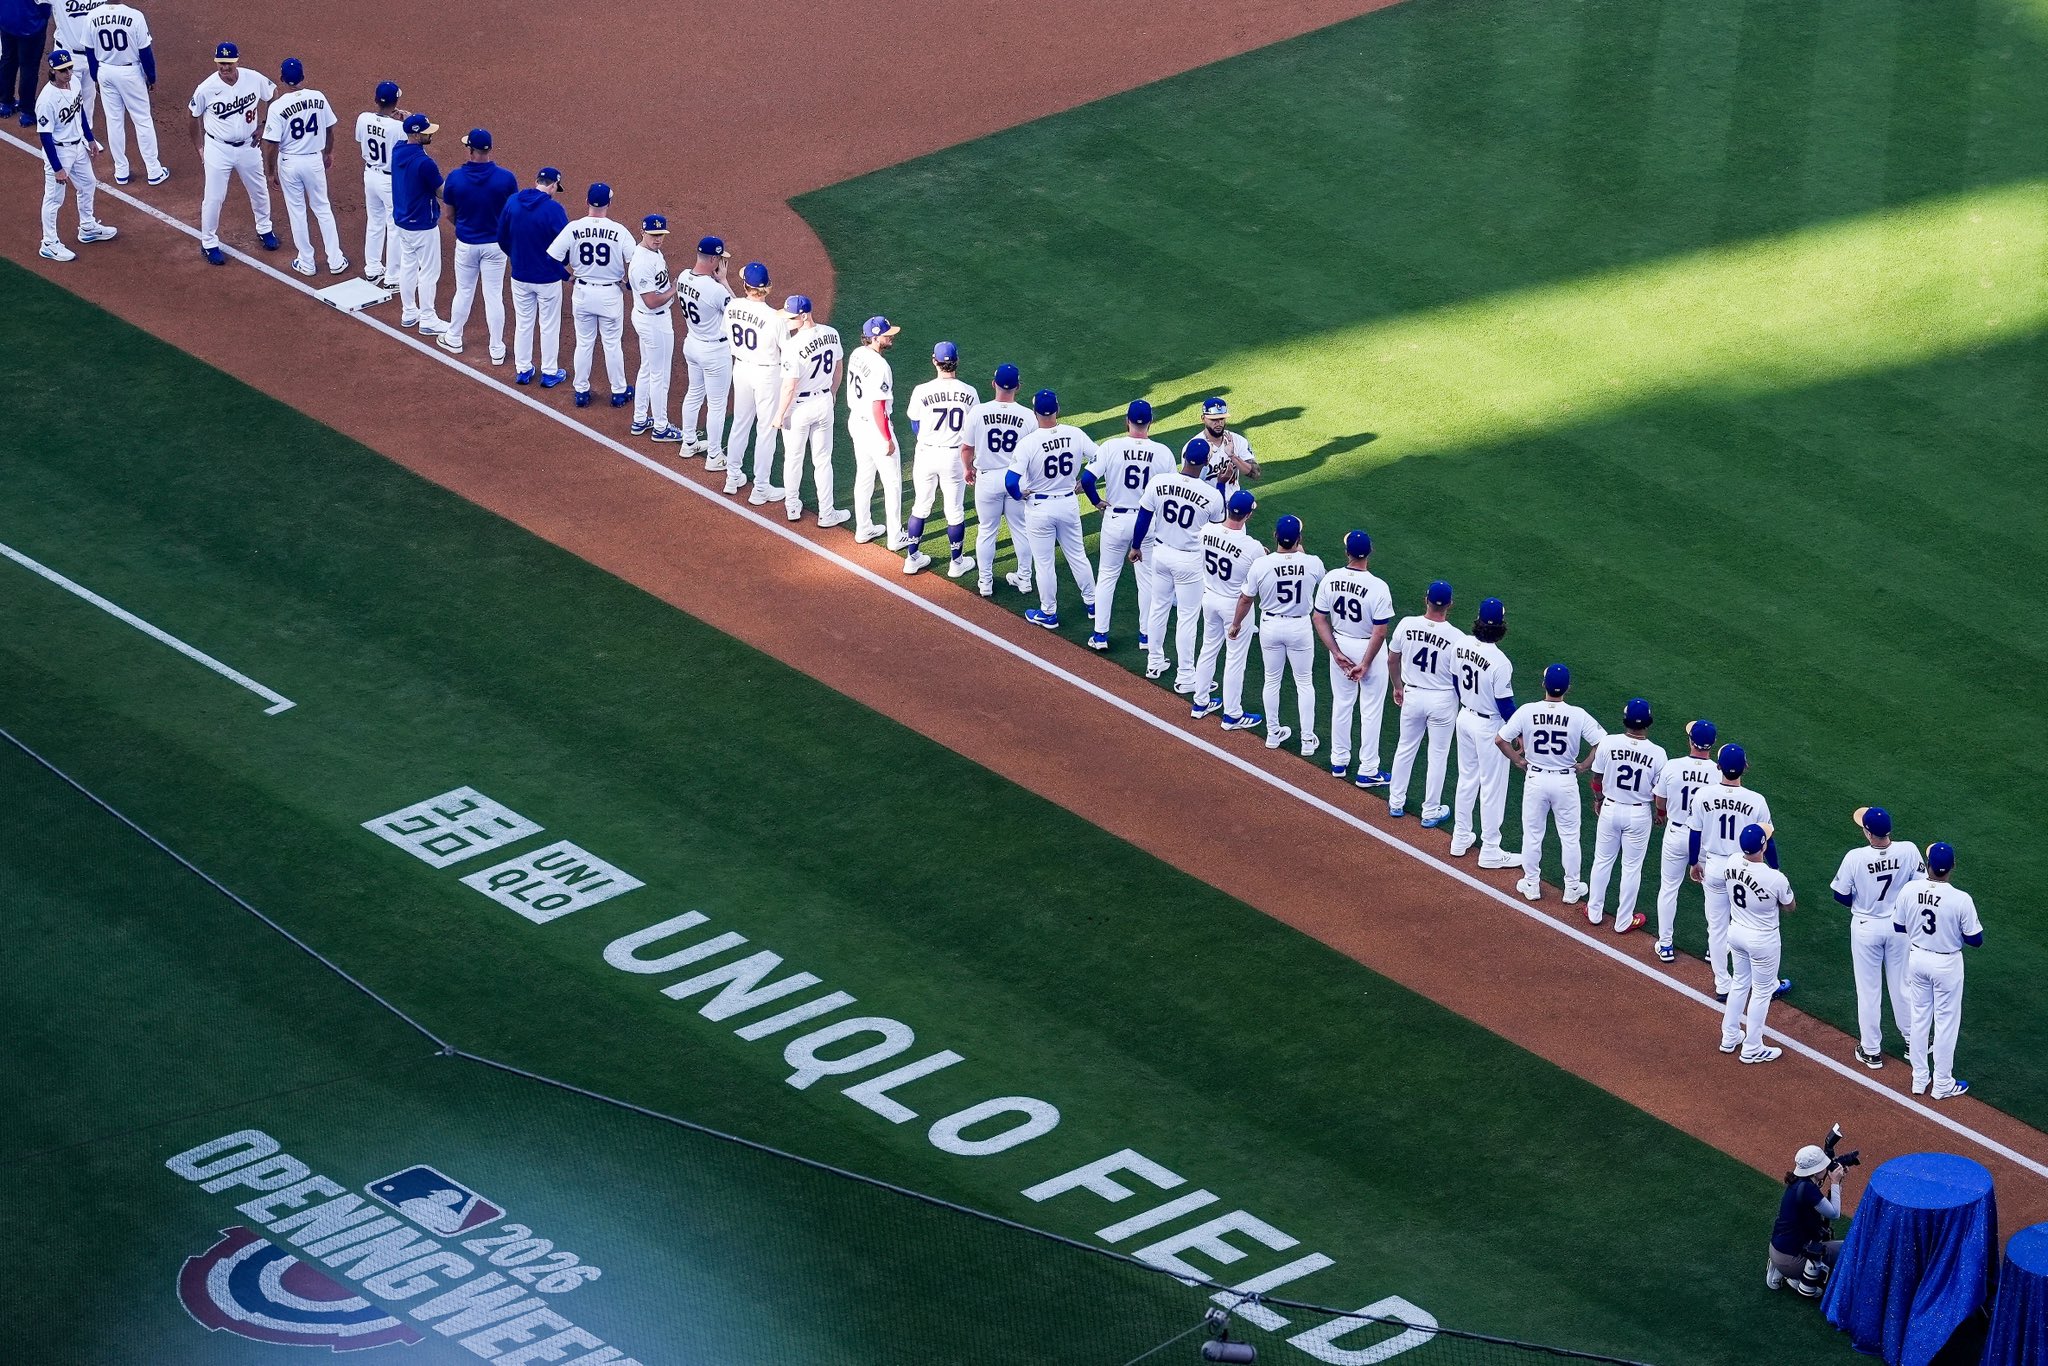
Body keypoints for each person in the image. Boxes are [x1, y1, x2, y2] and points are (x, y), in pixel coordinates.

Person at [1496, 664, 1604, 903]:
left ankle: (1532, 883)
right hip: (1565, 780)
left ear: (1543, 684)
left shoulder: (1527, 711)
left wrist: (1518, 761)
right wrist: (1585, 765)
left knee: (1533, 835)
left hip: (1536, 778)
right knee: (1569, 836)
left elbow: (1500, 740)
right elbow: (1602, 744)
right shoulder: (1578, 714)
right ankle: (1572, 887)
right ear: (1568, 687)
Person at [1688, 744, 1781, 1001]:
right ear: (1745, 767)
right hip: (1746, 868)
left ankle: (1722, 984)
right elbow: (1768, 841)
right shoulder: (1756, 800)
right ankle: (1768, 983)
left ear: (1718, 767)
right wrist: (1773, 869)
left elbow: (1694, 832)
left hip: (1715, 867)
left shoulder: (1703, 795)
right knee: (1756, 926)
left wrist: (1694, 863)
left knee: (1716, 927)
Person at [1831, 806, 1922, 1070]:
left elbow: (1840, 894)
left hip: (1866, 927)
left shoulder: (1855, 857)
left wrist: (1862, 901)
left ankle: (1871, 1051)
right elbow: (1918, 885)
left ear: (1869, 833)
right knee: (1903, 986)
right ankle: (1912, 1042)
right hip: (1898, 928)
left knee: (1868, 990)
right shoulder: (1908, 850)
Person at [1231, 512, 1324, 754]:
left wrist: (1236, 624)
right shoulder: (1313, 562)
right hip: (1300, 626)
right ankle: (1307, 740)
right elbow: (1319, 584)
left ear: (1275, 536)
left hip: (1270, 626)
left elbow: (1245, 599)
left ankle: (1273, 734)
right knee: (1304, 682)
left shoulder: (1261, 564)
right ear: (1299, 538)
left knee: (1272, 679)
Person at [1007, 389, 1100, 629]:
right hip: (1068, 502)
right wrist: (1084, 482)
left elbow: (1010, 482)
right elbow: (1100, 459)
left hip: (1039, 507)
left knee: (1045, 563)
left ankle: (1049, 613)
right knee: (1078, 556)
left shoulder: (1028, 443)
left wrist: (1019, 495)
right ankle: (1093, 604)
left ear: (1036, 412)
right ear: (1057, 409)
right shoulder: (1075, 434)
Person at [1897, 841, 1983, 1100]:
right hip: (1947, 964)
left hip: (1917, 959)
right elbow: (1975, 940)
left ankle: (1919, 1079)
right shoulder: (1960, 899)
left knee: (1919, 1017)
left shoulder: (1910, 889)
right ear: (1952, 867)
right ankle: (1942, 1083)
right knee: (1945, 1023)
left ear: (1929, 866)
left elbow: (1900, 926)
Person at [1133, 440, 1224, 683]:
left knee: (1158, 608)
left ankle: (1153, 663)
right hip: (1190, 561)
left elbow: (1144, 515)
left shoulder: (1160, 481)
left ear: (1183, 457)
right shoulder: (1212, 495)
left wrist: (1135, 546)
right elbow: (1218, 528)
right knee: (1187, 616)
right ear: (1206, 462)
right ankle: (1185, 675)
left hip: (1160, 554)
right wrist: (1223, 485)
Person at [1086, 400, 1172, 650]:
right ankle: (1145, 636)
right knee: (1146, 581)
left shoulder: (1111, 446)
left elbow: (1088, 480)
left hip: (1115, 518)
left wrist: (1097, 503)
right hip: (1147, 521)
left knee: (1107, 577)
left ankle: (1100, 635)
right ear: (1150, 422)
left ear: (1127, 421)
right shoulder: (1163, 452)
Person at [1312, 530, 1393, 786]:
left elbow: (1318, 618)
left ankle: (1339, 760)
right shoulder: (1379, 586)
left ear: (1347, 552)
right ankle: (1368, 769)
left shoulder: (1331, 578)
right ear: (1370, 553)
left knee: (1343, 702)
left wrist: (1335, 652)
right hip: (1369, 647)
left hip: (1341, 644)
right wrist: (1366, 663)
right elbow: (1380, 631)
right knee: (1370, 709)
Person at [546, 182, 635, 408]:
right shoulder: (619, 231)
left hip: (583, 292)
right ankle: (618, 392)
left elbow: (551, 259)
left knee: (584, 343)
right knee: (612, 344)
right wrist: (629, 285)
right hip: (610, 295)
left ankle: (582, 392)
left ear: (586, 202)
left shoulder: (573, 228)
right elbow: (636, 264)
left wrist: (567, 277)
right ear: (609, 204)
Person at [188, 41, 276, 266]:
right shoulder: (206, 88)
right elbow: (193, 116)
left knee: (259, 190)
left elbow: (273, 93)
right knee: (214, 197)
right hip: (218, 148)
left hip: (249, 146)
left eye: (228, 63)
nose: (224, 68)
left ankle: (265, 229)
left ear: (236, 61)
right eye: (220, 63)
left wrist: (265, 125)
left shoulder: (253, 78)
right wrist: (200, 147)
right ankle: (208, 243)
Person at [1712, 823, 1795, 1063]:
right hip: (1763, 940)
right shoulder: (1774, 877)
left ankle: (1729, 1036)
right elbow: (1790, 906)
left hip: (1736, 932)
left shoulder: (1732, 861)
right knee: (1761, 991)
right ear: (1763, 845)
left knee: (1739, 982)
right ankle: (1752, 1047)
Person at [1585, 698, 1667, 933]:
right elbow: (1659, 793)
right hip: (1639, 814)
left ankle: (1594, 911)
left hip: (1610, 809)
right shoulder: (1658, 754)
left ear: (1625, 720)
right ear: (1648, 722)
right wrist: (1660, 813)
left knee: (1602, 861)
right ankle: (1623, 920)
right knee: (1631, 868)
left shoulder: (1608, 743)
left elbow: (1597, 780)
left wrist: (1599, 801)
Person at [260, 58, 348, 278]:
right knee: (323, 208)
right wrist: (328, 152)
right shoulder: (318, 97)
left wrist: (270, 172)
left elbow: (270, 144)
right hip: (313, 160)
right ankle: (336, 260)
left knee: (297, 211)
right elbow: (329, 129)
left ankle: (307, 262)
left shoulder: (277, 106)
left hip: (289, 162)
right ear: (302, 77)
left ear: (281, 79)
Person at [1386, 580, 1463, 824]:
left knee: (1405, 747)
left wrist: (1398, 687)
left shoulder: (1407, 624)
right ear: (1450, 604)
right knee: (1438, 755)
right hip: (1442, 699)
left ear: (1426, 599)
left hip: (1414, 694)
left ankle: (1395, 802)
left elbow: (1392, 659)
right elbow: (1460, 678)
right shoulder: (1457, 638)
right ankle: (1430, 811)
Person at [1448, 597, 1517, 867]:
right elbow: (1506, 705)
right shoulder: (1501, 662)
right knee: (1492, 787)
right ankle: (1490, 849)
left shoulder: (1461, 643)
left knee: (1467, 779)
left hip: (1464, 717)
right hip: (1489, 726)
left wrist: (1469, 702)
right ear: (1501, 626)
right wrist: (1516, 733)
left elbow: (1455, 680)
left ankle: (1460, 836)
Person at [901, 341, 978, 576]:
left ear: (935, 361)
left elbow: (915, 422)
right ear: (956, 362)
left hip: (926, 452)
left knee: (921, 505)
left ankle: (912, 558)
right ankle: (956, 563)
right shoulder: (969, 391)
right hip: (954, 455)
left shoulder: (921, 390)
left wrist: (928, 438)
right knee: (954, 510)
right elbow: (974, 428)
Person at [438, 127, 515, 361]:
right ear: (489, 149)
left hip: (467, 244)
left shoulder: (455, 178)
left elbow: (449, 214)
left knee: (464, 291)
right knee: (493, 296)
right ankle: (497, 349)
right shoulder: (506, 178)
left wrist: (464, 228)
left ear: (469, 150)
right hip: (496, 246)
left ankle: (454, 337)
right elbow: (511, 213)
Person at [772, 295, 846, 527]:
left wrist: (779, 414)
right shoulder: (831, 333)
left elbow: (788, 386)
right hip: (823, 402)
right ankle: (827, 513)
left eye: (791, 318)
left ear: (804, 316)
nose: (786, 321)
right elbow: (838, 368)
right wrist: (832, 393)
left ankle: (792, 506)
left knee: (793, 459)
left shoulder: (792, 346)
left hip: (798, 408)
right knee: (823, 461)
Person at [33, 47, 113, 262]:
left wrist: (90, 139)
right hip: (59, 151)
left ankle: (87, 227)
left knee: (88, 184)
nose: (68, 73)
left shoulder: (75, 82)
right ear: (52, 72)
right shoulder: (46, 100)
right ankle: (49, 243)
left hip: (78, 147)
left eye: (69, 68)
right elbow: (45, 137)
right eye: (63, 70)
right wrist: (58, 168)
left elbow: (80, 114)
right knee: (54, 198)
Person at [1650, 720, 1720, 964]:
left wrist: (1662, 815)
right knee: (1712, 894)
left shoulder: (1672, 766)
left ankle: (1666, 944)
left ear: (1691, 741)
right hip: (1705, 839)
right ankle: (1714, 950)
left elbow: (1659, 800)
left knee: (1669, 888)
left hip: (1676, 833)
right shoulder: (1718, 773)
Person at [1191, 491, 1262, 729]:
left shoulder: (1206, 531)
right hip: (1234, 605)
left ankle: (1200, 703)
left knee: (1208, 649)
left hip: (1209, 598)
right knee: (1234, 660)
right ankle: (1232, 715)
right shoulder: (1252, 547)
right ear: (1248, 515)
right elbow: (1261, 574)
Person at [961, 364, 1033, 598]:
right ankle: (1024, 579)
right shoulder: (1027, 415)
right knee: (1021, 531)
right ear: (1018, 387)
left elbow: (966, 448)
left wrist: (967, 469)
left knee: (987, 530)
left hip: (988, 479)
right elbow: (1033, 454)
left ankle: (985, 582)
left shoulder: (978, 412)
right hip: (1015, 480)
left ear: (994, 384)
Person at [498, 165, 568, 387]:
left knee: (524, 322)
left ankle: (523, 369)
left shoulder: (513, 202)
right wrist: (561, 265)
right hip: (547, 278)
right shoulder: (554, 210)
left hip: (520, 275)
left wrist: (516, 257)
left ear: (537, 181)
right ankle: (549, 372)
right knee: (549, 324)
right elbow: (565, 246)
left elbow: (502, 236)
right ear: (553, 185)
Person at [84, 0, 166, 187]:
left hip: (105, 70)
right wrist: (151, 77)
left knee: (114, 121)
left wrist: (96, 77)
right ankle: (154, 171)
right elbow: (145, 52)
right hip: (130, 73)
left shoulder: (92, 16)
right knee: (142, 120)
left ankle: (121, 171)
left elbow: (90, 52)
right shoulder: (135, 16)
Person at [723, 261, 784, 500]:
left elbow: (726, 331)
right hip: (767, 373)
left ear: (745, 285)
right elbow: (786, 351)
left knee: (740, 423)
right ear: (767, 286)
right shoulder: (774, 317)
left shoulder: (733, 306)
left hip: (741, 368)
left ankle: (732, 477)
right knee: (766, 430)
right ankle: (760, 488)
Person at [624, 212, 683, 441]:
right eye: (653, 234)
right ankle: (661, 426)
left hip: (652, 319)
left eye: (661, 235)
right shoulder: (640, 262)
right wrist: (674, 290)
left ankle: (640, 419)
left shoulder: (653, 252)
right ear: (642, 232)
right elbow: (651, 301)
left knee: (648, 368)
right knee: (660, 375)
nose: (657, 239)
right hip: (653, 321)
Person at [675, 236, 734, 466]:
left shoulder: (682, 277)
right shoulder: (714, 289)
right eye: (720, 258)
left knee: (694, 393)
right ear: (713, 259)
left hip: (692, 343)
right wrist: (725, 281)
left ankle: (688, 443)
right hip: (714, 351)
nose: (722, 263)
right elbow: (738, 311)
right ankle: (714, 456)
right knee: (717, 404)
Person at [847, 317, 904, 547]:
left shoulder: (857, 354)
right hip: (875, 427)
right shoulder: (881, 366)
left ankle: (863, 528)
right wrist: (887, 439)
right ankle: (895, 536)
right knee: (892, 483)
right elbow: (878, 406)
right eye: (887, 334)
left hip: (857, 423)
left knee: (864, 476)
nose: (891, 337)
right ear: (874, 336)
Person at [388, 110, 445, 333]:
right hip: (423, 223)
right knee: (430, 271)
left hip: (402, 221)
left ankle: (409, 312)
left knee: (408, 266)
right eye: (426, 132)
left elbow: (406, 136)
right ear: (416, 134)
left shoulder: (397, 150)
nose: (430, 135)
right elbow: (441, 192)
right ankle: (428, 318)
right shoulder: (425, 163)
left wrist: (409, 119)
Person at [1768, 1145, 1847, 1297]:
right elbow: (1834, 1213)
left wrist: (1839, 1182)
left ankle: (1780, 1269)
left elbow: (1825, 1206)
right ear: (1816, 1170)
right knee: (1845, 1250)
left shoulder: (1798, 1183)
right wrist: (1835, 1182)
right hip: (1792, 1258)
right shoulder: (1808, 1189)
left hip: (1777, 1249)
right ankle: (1801, 1282)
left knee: (1821, 1236)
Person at [353, 79, 402, 286]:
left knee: (374, 222)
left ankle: (372, 269)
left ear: (376, 100)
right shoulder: (399, 128)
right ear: (396, 102)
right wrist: (405, 119)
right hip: (389, 180)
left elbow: (360, 139)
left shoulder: (363, 118)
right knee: (394, 226)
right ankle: (393, 276)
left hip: (370, 174)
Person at [1185, 396, 1259, 494]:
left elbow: (1255, 473)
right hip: (1206, 504)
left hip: (1231, 504)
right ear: (1203, 419)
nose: (1219, 423)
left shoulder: (1237, 440)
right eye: (1213, 419)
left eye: (1221, 419)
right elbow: (1188, 483)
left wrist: (1233, 456)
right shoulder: (1193, 447)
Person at [0, 0, 49, 125]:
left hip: (6, 20)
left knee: (7, 60)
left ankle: (5, 104)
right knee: (29, 69)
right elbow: (46, 6)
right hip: (31, 25)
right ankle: (27, 112)